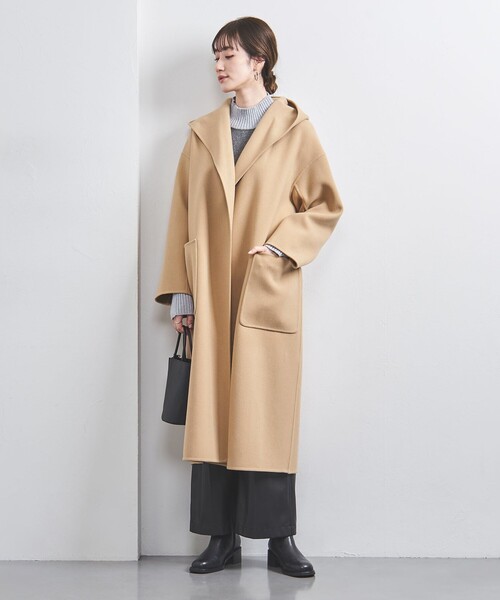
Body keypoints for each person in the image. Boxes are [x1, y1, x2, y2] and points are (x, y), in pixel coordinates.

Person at [154, 16, 344, 577]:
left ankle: (280, 540)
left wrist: (282, 247)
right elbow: (181, 215)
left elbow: (325, 204)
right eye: (216, 56)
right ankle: (221, 539)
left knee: (266, 415)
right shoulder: (201, 134)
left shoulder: (294, 128)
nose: (219, 66)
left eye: (229, 55)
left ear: (258, 61)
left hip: (265, 289)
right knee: (212, 414)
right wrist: (183, 297)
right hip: (211, 291)